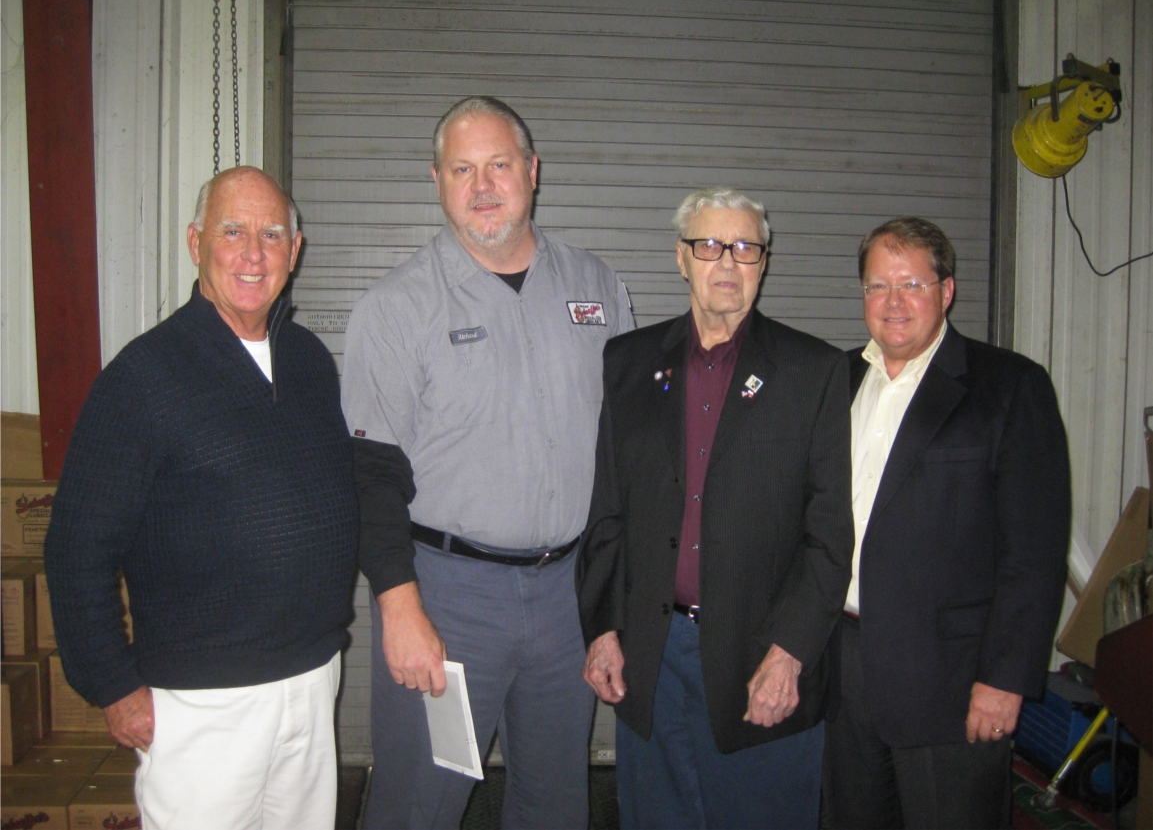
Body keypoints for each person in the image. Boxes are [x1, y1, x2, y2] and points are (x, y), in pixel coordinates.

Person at [342, 96, 634, 829]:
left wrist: (612, 603)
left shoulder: (597, 288)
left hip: (568, 595)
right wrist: (399, 606)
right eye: (462, 168)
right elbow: (370, 475)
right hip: (448, 599)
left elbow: (629, 453)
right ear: (436, 179)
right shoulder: (397, 306)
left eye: (498, 165)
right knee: (422, 800)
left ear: (531, 172)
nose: (482, 185)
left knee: (555, 799)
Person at [43, 166, 359, 828]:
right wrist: (113, 685)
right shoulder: (143, 377)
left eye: (272, 233)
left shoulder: (307, 360)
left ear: (294, 251)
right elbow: (76, 549)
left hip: (310, 681)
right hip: (202, 705)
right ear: (195, 242)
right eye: (232, 231)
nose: (253, 252)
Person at [577, 187, 854, 829]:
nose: (726, 262)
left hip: (760, 659)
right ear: (681, 259)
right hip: (651, 654)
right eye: (708, 246)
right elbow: (607, 513)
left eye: (745, 248)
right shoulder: (628, 361)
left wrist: (789, 654)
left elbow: (829, 535)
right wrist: (601, 628)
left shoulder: (813, 371)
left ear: (763, 261)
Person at [822, 217, 1072, 829]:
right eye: (878, 286)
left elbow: (1034, 552)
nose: (894, 302)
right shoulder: (838, 381)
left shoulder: (1009, 386)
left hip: (953, 682)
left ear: (947, 290)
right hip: (846, 666)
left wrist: (1005, 680)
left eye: (912, 283)